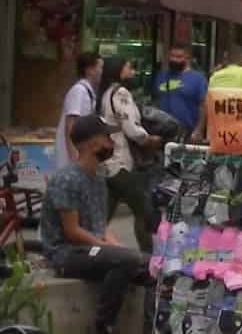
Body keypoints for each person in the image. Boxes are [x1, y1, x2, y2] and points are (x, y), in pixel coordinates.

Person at [41, 114, 153, 334]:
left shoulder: (99, 180)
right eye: (107, 137)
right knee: (122, 260)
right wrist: (111, 250)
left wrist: (118, 247)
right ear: (92, 143)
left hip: (92, 251)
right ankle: (102, 327)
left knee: (154, 268)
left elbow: (100, 226)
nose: (111, 142)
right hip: (67, 254)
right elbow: (72, 231)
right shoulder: (66, 179)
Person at [97, 56, 161, 253]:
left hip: (110, 163)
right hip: (121, 163)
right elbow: (131, 129)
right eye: (128, 67)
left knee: (103, 215)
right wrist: (149, 139)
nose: (132, 72)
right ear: (118, 70)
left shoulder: (107, 93)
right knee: (143, 210)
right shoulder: (121, 93)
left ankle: (88, 247)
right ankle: (147, 256)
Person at [56, 52, 102, 171]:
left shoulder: (88, 92)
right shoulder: (79, 91)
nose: (102, 72)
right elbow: (70, 126)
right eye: (100, 67)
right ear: (89, 70)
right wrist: (75, 157)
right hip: (73, 159)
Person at [153, 43, 207, 140]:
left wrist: (199, 130)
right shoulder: (161, 76)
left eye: (179, 57)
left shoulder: (198, 78)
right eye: (172, 56)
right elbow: (157, 100)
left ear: (187, 57)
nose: (174, 60)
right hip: (162, 130)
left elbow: (203, 106)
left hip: (187, 131)